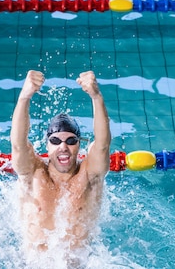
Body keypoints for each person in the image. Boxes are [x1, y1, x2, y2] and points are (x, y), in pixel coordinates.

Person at [10, 69, 111, 252]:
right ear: (47, 146)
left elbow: (103, 146)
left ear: (79, 145)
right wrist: (24, 97)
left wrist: (96, 97)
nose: (63, 147)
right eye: (55, 141)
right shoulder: (33, 173)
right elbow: (18, 145)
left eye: (71, 141)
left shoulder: (89, 175)